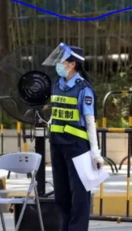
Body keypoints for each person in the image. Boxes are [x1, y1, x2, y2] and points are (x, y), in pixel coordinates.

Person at [42, 43, 104, 231]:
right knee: (61, 195)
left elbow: (90, 121)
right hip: (57, 145)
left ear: (72, 65)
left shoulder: (83, 89)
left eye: (62, 61)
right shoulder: (56, 86)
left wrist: (95, 153)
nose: (59, 64)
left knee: (79, 197)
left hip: (77, 147)